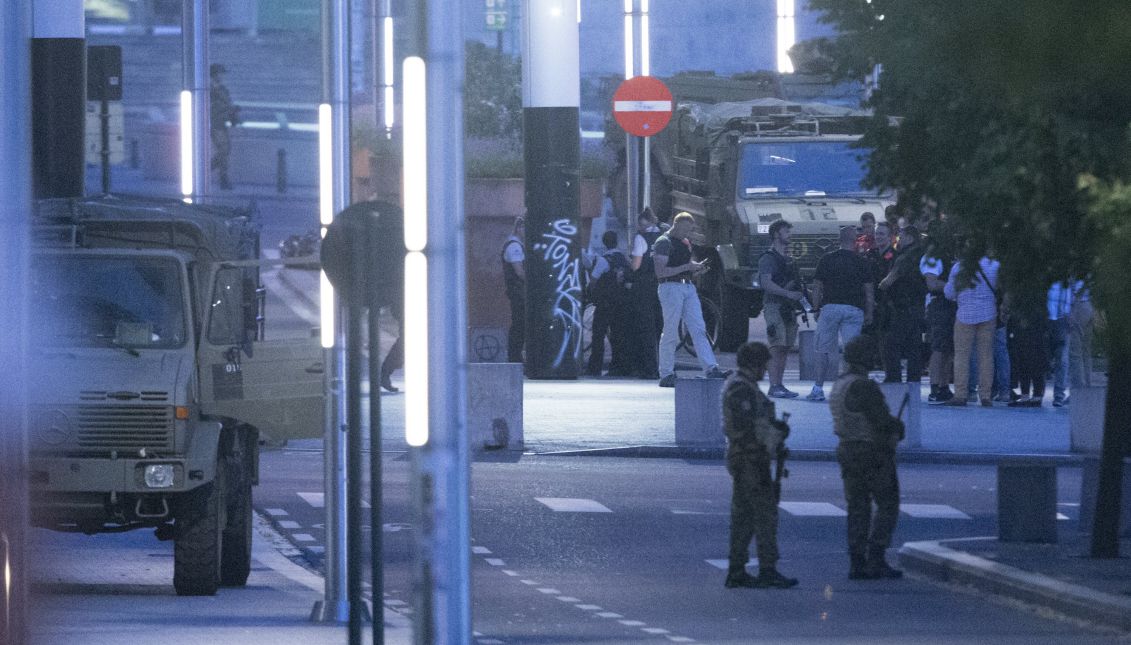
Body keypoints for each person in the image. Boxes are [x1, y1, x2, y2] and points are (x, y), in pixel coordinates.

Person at [723, 341, 799, 589]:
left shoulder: (743, 386)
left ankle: (738, 570)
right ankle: (767, 568)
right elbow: (749, 428)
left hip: (749, 458)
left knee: (744, 516)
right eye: (763, 364)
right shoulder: (741, 389)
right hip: (750, 460)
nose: (766, 370)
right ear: (755, 364)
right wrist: (774, 435)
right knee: (764, 516)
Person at [830, 335, 905, 580]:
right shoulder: (864, 386)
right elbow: (881, 421)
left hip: (847, 449)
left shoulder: (839, 384)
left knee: (857, 507)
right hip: (871, 451)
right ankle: (876, 556)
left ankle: (857, 560)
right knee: (887, 503)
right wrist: (897, 429)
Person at [653, 212, 730, 386]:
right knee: (671, 330)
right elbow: (661, 272)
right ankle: (665, 373)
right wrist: (687, 267)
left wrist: (695, 269)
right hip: (670, 286)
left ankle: (711, 368)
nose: (687, 233)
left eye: (690, 230)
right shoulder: (663, 243)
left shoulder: (685, 242)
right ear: (676, 224)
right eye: (686, 229)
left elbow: (682, 267)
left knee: (699, 328)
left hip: (687, 285)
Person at [807, 226, 874, 401]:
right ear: (855, 241)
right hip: (854, 309)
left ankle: (818, 388)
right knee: (850, 351)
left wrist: (815, 308)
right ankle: (846, 388)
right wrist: (869, 313)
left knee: (822, 350)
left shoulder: (827, 259)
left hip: (830, 308)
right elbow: (868, 291)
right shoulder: (862, 262)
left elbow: (817, 286)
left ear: (839, 240)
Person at [942, 252, 1000, 407]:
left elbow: (949, 293)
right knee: (986, 356)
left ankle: (961, 394)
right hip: (988, 313)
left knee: (962, 356)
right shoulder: (994, 266)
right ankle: (986, 395)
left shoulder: (959, 268)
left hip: (964, 315)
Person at [758, 220, 803, 398]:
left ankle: (779, 384)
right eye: (786, 231)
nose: (789, 235)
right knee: (776, 346)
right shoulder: (768, 258)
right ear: (776, 234)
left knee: (784, 347)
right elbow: (766, 283)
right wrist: (787, 293)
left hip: (788, 308)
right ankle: (774, 385)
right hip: (774, 306)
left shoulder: (788, 260)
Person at [877, 225, 926, 382]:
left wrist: (880, 288)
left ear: (910, 238)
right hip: (918, 306)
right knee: (914, 348)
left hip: (903, 307)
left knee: (890, 344)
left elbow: (888, 281)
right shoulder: (922, 254)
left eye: (902, 236)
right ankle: (913, 380)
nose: (899, 239)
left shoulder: (906, 256)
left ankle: (893, 378)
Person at [585, 231, 630, 376]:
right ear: (616, 242)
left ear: (604, 243)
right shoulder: (623, 259)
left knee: (598, 334)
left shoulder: (604, 260)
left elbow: (593, 280)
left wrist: (592, 293)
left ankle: (595, 367)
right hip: (621, 302)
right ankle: (619, 366)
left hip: (605, 303)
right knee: (618, 335)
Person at [625, 208, 663, 379]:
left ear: (644, 223)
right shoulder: (663, 236)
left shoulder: (641, 238)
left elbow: (636, 265)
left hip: (644, 287)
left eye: (640, 224)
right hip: (662, 284)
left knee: (645, 328)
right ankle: (664, 366)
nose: (639, 227)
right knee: (660, 327)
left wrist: (626, 273)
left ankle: (648, 368)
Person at [920, 249, 955, 404]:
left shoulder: (948, 255)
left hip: (950, 305)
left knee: (948, 349)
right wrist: (955, 286)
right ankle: (934, 388)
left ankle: (944, 386)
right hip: (939, 306)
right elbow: (932, 283)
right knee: (939, 347)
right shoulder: (932, 257)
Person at [209, 63, 240, 190]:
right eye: (220, 73)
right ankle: (214, 174)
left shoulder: (223, 90)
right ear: (215, 74)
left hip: (222, 124)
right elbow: (213, 108)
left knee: (225, 151)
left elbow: (228, 105)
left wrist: (233, 113)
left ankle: (212, 173)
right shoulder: (209, 90)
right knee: (223, 150)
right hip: (214, 123)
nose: (222, 76)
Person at [502, 216, 526, 363]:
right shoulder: (514, 246)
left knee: (520, 324)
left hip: (518, 291)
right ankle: (514, 357)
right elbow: (519, 272)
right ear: (518, 228)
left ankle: (515, 356)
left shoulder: (516, 245)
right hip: (518, 292)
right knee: (519, 324)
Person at [1046, 281, 1072, 406]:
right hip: (1048, 319)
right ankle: (1038, 393)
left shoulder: (1069, 281)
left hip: (1062, 321)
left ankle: (1059, 395)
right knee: (1045, 356)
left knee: (1062, 360)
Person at [1068, 280, 1094, 394]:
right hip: (1089, 305)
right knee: (1086, 352)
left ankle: (1078, 389)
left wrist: (1071, 312)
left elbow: (1074, 289)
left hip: (1078, 307)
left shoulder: (1074, 266)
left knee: (1075, 353)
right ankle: (1087, 384)